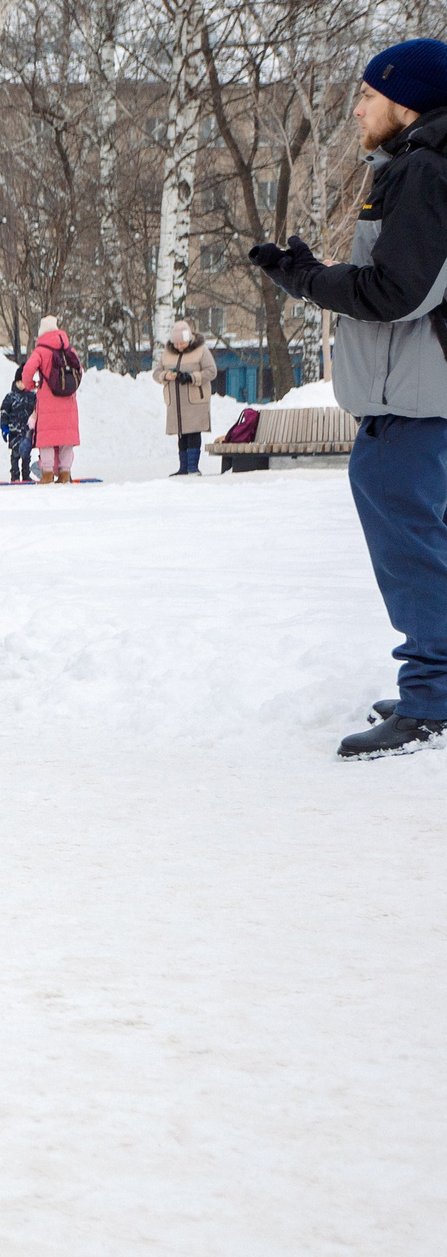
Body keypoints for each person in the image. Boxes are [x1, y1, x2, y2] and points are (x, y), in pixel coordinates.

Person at [250, 38, 447, 758]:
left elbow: (398, 293)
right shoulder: (418, 164)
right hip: (423, 395)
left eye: (368, 95)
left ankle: (432, 699)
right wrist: (315, 273)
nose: (358, 109)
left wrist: (306, 280)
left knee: (414, 553)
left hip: (414, 403)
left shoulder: (422, 169)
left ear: (406, 102)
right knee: (430, 546)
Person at [17, 316, 83, 482]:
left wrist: (30, 385)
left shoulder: (41, 350)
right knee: (66, 439)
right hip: (68, 400)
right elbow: (79, 370)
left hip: (47, 401)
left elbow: (27, 371)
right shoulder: (69, 350)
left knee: (47, 439)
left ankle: (47, 474)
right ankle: (65, 473)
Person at [154, 319, 217, 476]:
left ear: (189, 339)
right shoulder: (167, 354)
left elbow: (211, 371)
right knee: (181, 434)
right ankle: (183, 467)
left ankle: (193, 467)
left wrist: (191, 377)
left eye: (182, 343)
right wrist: (166, 375)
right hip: (176, 402)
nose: (179, 346)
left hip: (195, 400)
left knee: (193, 432)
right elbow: (156, 373)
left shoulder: (201, 351)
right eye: (176, 343)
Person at [0, 385, 36, 483]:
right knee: (15, 454)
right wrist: (4, 426)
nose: (21, 384)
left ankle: (26, 475)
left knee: (26, 454)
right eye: (18, 382)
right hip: (14, 430)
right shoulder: (10, 397)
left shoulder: (32, 396)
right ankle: (15, 475)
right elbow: (4, 413)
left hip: (27, 430)